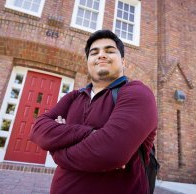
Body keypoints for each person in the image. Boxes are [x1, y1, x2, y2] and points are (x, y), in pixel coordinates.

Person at [30, 29, 157, 194]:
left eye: (110, 51)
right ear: (88, 62)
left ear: (123, 62)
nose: (101, 55)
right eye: (94, 52)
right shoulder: (74, 96)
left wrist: (56, 151)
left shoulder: (137, 92)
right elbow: (38, 130)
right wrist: (92, 133)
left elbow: (111, 152)